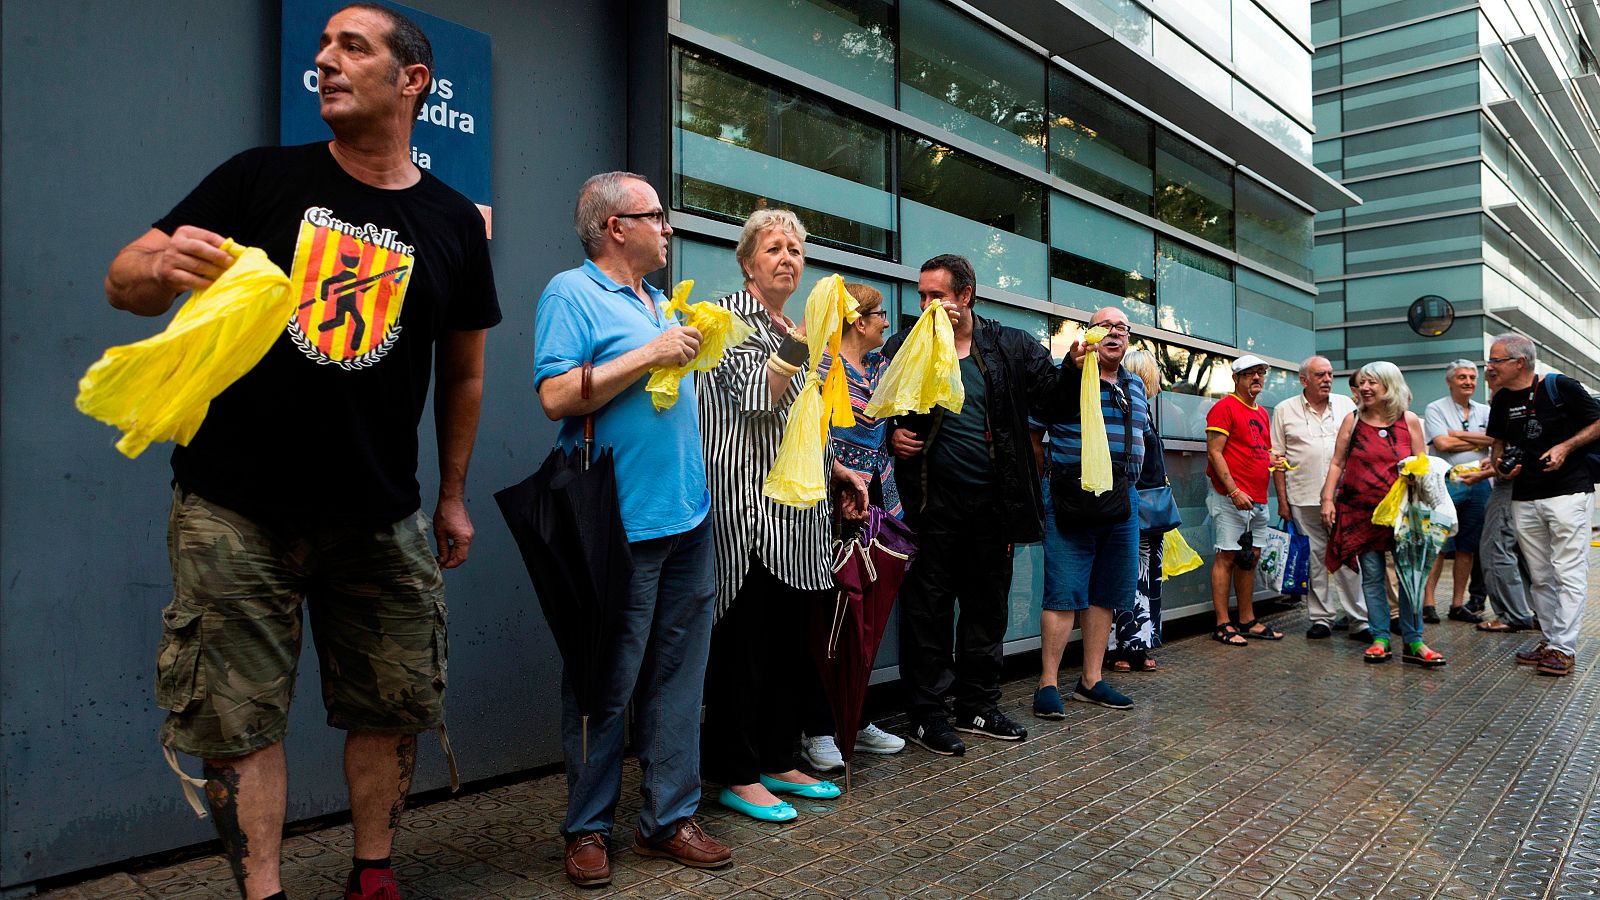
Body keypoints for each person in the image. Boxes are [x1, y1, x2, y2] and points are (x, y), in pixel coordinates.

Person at [104, 7, 500, 898]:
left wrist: (452, 494)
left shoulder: (449, 221)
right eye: (322, 46)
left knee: (393, 705)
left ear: (412, 81)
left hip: (381, 511)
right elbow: (125, 276)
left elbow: (466, 374)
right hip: (234, 508)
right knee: (236, 720)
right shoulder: (259, 177)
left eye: (352, 46)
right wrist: (158, 270)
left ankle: (373, 875)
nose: (325, 59)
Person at [534, 172, 729, 885]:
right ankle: (587, 828)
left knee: (680, 678)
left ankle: (668, 820)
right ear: (616, 227)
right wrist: (650, 354)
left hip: (688, 517)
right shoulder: (571, 293)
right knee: (604, 680)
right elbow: (556, 395)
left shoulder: (660, 301)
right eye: (656, 216)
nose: (668, 228)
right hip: (616, 522)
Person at [696, 209, 867, 822]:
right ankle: (737, 774)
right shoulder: (724, 318)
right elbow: (756, 398)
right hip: (747, 513)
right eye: (773, 248)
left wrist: (837, 470)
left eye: (795, 249)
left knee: (789, 649)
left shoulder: (792, 327)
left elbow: (804, 419)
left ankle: (778, 758)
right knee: (743, 648)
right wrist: (807, 340)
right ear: (748, 261)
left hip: (800, 519)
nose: (787, 258)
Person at [888, 254, 1066, 756]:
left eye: (936, 295)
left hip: (993, 506)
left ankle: (977, 705)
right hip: (931, 505)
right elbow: (872, 405)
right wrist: (891, 433)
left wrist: (1076, 366)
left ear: (965, 296)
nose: (926, 304)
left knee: (986, 610)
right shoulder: (906, 344)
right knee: (927, 611)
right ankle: (927, 715)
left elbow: (1054, 401)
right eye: (921, 296)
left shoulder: (1010, 346)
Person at [799, 283, 905, 773]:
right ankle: (819, 727)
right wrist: (839, 480)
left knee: (864, 614)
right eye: (880, 314)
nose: (887, 322)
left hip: (875, 498)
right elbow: (813, 432)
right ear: (858, 321)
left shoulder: (880, 366)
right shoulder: (822, 366)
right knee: (829, 614)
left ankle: (854, 717)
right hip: (832, 502)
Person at [1032, 307, 1146, 718]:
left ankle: (1091, 681)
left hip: (1123, 500)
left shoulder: (1135, 384)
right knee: (1063, 593)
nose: (1114, 333)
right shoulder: (1066, 377)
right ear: (1090, 334)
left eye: (1121, 327)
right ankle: (1047, 683)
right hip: (1071, 495)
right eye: (1105, 326)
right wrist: (1045, 484)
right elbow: (1034, 432)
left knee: (1106, 593)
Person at [1485, 333, 1600, 677]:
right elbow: (1498, 445)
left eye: (1496, 360)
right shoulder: (1501, 399)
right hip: (1524, 496)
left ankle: (1563, 648)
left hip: (1568, 493)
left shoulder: (1559, 386)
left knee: (1568, 571)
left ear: (1519, 362)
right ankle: (1550, 641)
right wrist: (1501, 466)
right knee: (1540, 576)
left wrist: (1566, 447)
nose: (1490, 367)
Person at [1322, 362, 1443, 666]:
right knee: (1373, 576)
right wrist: (1327, 499)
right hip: (1360, 511)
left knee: (1409, 577)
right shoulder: (1352, 420)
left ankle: (1414, 640)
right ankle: (1380, 638)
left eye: (1372, 382)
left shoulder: (1409, 420)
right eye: (1362, 382)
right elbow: (1337, 462)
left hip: (1403, 514)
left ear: (1390, 385)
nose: (1364, 388)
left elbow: (1423, 465)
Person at [1271, 356, 1366, 642]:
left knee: (1348, 558)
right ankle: (1321, 618)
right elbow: (1277, 459)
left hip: (1343, 498)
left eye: (1330, 374)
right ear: (1304, 380)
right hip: (1303, 496)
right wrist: (1283, 502)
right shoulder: (1284, 409)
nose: (1327, 379)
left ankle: (1358, 619)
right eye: (1320, 375)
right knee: (1314, 559)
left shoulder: (1347, 406)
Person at [1205, 356, 1284, 646]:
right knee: (1227, 556)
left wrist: (1273, 460)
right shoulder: (1224, 407)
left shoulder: (1261, 412)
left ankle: (1247, 620)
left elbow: (1260, 448)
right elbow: (1214, 452)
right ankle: (1222, 624)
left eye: (1260, 373)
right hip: (1231, 497)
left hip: (1257, 498)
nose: (1256, 378)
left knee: (1250, 558)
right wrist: (1234, 490)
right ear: (1236, 378)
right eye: (1249, 374)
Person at [1457, 357, 1537, 634]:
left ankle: (1512, 614)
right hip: (1523, 486)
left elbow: (1516, 453)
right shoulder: (1521, 399)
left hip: (1510, 487)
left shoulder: (1512, 400)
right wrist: (1490, 468)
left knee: (1495, 547)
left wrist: (1488, 472)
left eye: (1495, 364)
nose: (1489, 370)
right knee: (1522, 552)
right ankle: (1536, 612)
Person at [1108, 349, 1169, 672]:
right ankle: (1123, 647)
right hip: (1134, 506)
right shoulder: (1130, 410)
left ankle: (1138, 644)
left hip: (1147, 511)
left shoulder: (1143, 413)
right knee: (1129, 578)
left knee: (1144, 579)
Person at [1421, 360, 1491, 624]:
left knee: (1467, 547)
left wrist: (1457, 435)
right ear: (1449, 381)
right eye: (1462, 377)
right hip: (1446, 482)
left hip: (1479, 483)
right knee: (1439, 544)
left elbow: (1494, 439)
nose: (1468, 382)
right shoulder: (1435, 408)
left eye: (1472, 377)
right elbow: (1442, 443)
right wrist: (1478, 439)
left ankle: (1457, 605)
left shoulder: (1485, 410)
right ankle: (1428, 604)